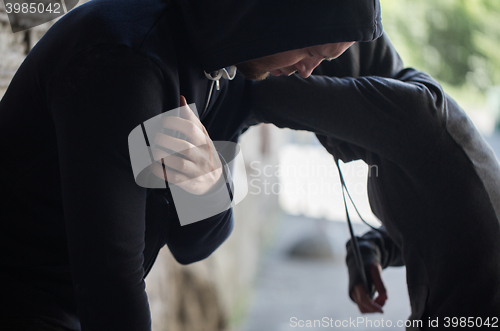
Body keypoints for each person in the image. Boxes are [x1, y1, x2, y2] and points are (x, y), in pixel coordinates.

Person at [0, 0, 383, 330]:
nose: (308, 71)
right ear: (279, 15)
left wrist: (210, 184)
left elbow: (192, 243)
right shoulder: (128, 64)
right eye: (312, 52)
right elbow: (110, 285)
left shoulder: (229, 64)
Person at [248, 32, 500, 329]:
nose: (303, 70)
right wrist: (370, 250)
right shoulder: (404, 123)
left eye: (317, 60)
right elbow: (438, 229)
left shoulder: (414, 113)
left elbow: (267, 95)